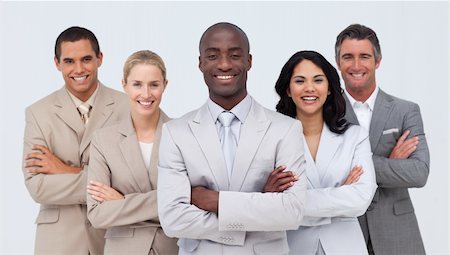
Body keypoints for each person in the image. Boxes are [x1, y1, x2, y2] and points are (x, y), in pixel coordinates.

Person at [157, 22, 307, 254]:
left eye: (234, 55)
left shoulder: (285, 129)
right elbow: (173, 219)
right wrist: (260, 204)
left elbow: (292, 211)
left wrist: (215, 201)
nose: (224, 64)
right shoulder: (176, 132)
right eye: (213, 55)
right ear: (201, 63)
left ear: (249, 61)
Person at [22, 26, 129, 254]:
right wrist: (105, 183)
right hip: (58, 241)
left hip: (114, 238)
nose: (79, 69)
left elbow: (135, 180)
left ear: (100, 59)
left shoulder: (128, 107)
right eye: (69, 61)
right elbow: (38, 187)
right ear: (57, 63)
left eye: (87, 59)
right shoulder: (38, 113)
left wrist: (63, 170)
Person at [335, 24, 430, 255]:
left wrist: (355, 164)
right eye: (348, 57)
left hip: (397, 232)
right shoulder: (327, 112)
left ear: (377, 61)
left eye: (364, 57)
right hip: (343, 232)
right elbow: (323, 172)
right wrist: (392, 161)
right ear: (338, 63)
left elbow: (419, 172)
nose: (356, 66)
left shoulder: (406, 111)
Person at [274, 50, 377, 254]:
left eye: (318, 80)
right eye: (300, 81)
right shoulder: (272, 140)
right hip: (293, 248)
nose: (309, 88)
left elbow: (360, 200)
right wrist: (340, 194)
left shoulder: (355, 136)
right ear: (288, 89)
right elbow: (268, 206)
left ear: (329, 88)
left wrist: (292, 202)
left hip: (346, 248)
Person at [86, 50, 178, 254]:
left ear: (165, 85)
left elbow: (191, 204)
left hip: (172, 248)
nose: (146, 94)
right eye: (137, 84)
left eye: (154, 85)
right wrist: (166, 202)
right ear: (124, 85)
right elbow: (97, 214)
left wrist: (122, 202)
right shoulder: (104, 140)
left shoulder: (183, 135)